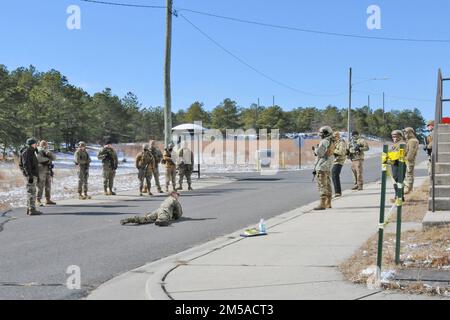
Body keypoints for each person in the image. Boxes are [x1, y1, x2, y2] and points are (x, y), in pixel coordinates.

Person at [19, 138, 42, 216]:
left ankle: (30, 208)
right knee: (31, 192)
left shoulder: (32, 151)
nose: (36, 145)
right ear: (32, 144)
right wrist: (30, 175)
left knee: (32, 192)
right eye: (35, 143)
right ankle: (32, 209)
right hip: (31, 175)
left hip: (33, 174)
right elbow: (26, 165)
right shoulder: (27, 152)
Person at [312, 126, 334, 211]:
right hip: (328, 165)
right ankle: (328, 203)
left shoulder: (324, 141)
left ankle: (322, 204)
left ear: (325, 133)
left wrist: (316, 149)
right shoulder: (331, 140)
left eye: (321, 134)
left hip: (322, 165)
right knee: (328, 184)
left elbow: (320, 153)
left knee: (322, 185)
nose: (320, 135)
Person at [36, 140, 56, 206]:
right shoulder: (38, 150)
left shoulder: (46, 150)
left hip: (48, 169)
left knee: (48, 185)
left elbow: (54, 157)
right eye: (43, 144)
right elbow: (39, 159)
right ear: (40, 144)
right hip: (41, 169)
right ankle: (38, 200)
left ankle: (48, 199)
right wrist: (48, 159)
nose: (44, 145)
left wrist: (49, 153)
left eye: (45, 144)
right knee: (40, 185)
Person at [390, 130, 407, 202]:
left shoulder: (402, 144)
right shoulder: (395, 144)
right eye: (393, 136)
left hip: (400, 164)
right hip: (394, 164)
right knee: (395, 180)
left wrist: (390, 156)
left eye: (396, 136)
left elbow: (401, 154)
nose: (394, 138)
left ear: (400, 136)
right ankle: (397, 195)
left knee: (399, 180)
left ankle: (400, 196)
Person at [403, 127, 419, 194]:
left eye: (406, 132)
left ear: (409, 133)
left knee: (409, 174)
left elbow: (411, 153)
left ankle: (409, 189)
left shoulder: (413, 141)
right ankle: (408, 188)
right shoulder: (410, 140)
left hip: (409, 161)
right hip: (407, 160)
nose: (404, 134)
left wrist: (406, 159)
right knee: (408, 174)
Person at [331, 131, 347, 198]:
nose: (334, 138)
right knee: (334, 175)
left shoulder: (341, 143)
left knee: (335, 175)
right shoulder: (335, 142)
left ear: (337, 136)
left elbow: (341, 152)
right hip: (335, 161)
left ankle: (338, 192)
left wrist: (332, 150)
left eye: (335, 137)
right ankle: (337, 191)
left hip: (339, 161)